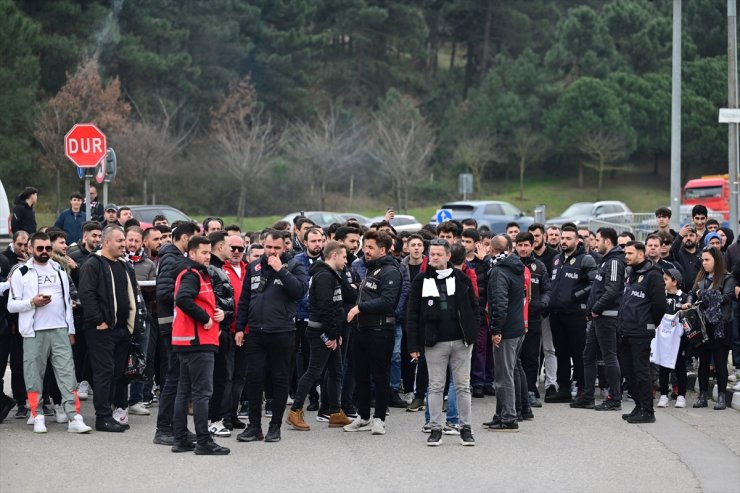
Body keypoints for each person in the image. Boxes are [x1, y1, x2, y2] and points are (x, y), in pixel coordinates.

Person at [7, 232, 92, 433]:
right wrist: (31, 303)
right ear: (30, 249)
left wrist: (70, 329)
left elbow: (65, 304)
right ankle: (37, 415)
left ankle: (74, 417)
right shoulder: (21, 272)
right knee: (34, 374)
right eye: (40, 248)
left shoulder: (60, 270)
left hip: (60, 329)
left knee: (67, 374)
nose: (45, 252)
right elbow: (11, 305)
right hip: (33, 332)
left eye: (47, 248)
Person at [235, 230, 308, 443]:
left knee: (279, 379)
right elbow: (246, 297)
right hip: (256, 332)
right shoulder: (254, 266)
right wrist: (240, 327)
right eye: (268, 248)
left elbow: (300, 291)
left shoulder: (295, 266)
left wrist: (281, 271)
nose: (272, 252)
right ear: (263, 246)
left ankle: (275, 426)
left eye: (277, 248)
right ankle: (254, 426)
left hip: (282, 332)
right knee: (255, 379)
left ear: (284, 247)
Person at [406, 239, 479, 446]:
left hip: (461, 342)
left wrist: (472, 333)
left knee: (463, 386)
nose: (435, 258)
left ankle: (465, 428)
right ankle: (435, 428)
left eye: (439, 254)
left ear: (448, 256)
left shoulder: (461, 278)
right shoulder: (421, 280)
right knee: (436, 386)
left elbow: (475, 308)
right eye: (432, 254)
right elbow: (412, 314)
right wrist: (413, 345)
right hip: (434, 342)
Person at [167, 235, 229, 455]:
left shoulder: (196, 274)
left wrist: (216, 313)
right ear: (191, 253)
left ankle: (181, 439)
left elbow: (198, 300)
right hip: (198, 342)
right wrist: (206, 318)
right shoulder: (192, 274)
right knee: (202, 394)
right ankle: (204, 441)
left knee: (184, 391)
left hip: (187, 341)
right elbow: (183, 299)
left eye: (208, 251)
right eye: (203, 252)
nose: (207, 256)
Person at [78, 227, 142, 432]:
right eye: (120, 240)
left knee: (118, 373)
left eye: (124, 240)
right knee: (104, 372)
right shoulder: (93, 264)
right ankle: (102, 417)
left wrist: (133, 325)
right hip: (101, 331)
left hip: (123, 330)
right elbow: (86, 294)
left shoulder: (124, 266)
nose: (124, 244)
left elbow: (133, 295)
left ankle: (115, 412)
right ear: (106, 242)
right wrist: (99, 321)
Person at [286, 241, 355, 431]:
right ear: (334, 256)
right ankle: (295, 411)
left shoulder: (333, 275)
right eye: (343, 257)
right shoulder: (324, 276)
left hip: (332, 331)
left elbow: (337, 304)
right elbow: (326, 308)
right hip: (320, 333)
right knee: (314, 371)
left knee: (336, 371)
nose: (346, 261)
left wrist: (337, 333)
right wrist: (332, 334)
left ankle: (335, 412)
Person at [344, 230, 401, 435]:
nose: (365, 251)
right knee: (360, 375)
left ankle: (379, 419)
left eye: (370, 247)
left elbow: (387, 302)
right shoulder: (368, 269)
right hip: (360, 330)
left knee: (379, 376)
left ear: (383, 250)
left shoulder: (391, 271)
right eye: (364, 246)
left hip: (380, 331)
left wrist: (359, 308)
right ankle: (363, 416)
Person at [153, 221, 199, 445]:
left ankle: (176, 426)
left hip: (175, 324)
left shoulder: (172, 257)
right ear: (184, 239)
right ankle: (164, 428)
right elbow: (163, 292)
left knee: (179, 377)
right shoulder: (172, 258)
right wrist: (189, 298)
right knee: (173, 378)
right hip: (171, 325)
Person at [572, 228, 625, 411]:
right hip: (598, 316)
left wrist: (596, 308)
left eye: (598, 240)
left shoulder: (615, 262)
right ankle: (587, 396)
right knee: (588, 355)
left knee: (609, 357)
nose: (595, 243)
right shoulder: (606, 261)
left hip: (607, 316)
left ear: (607, 242)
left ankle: (614, 398)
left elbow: (612, 290)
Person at [546, 226, 597, 403]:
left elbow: (595, 284)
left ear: (577, 241)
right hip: (557, 314)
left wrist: (575, 296)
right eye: (563, 238)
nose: (564, 241)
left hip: (576, 314)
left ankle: (583, 390)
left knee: (578, 353)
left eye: (568, 238)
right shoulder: (557, 259)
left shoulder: (586, 259)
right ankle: (564, 389)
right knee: (561, 353)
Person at [619, 242, 666, 424]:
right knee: (628, 372)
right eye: (625, 253)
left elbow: (659, 305)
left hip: (641, 331)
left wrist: (649, 323)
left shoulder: (653, 275)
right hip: (626, 329)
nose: (626, 256)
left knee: (641, 372)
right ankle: (638, 405)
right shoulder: (631, 273)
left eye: (630, 253)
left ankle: (647, 410)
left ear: (641, 255)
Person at [684, 246, 735, 410]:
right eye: (702, 260)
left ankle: (721, 396)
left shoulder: (728, 277)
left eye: (707, 260)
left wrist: (702, 294)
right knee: (703, 362)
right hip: (703, 325)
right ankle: (703, 396)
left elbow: (723, 298)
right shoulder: (702, 278)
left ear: (716, 260)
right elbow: (692, 293)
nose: (704, 263)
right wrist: (691, 300)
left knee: (720, 362)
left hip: (721, 326)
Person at [483, 235, 525, 432]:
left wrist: (496, 329)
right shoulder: (514, 265)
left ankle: (509, 417)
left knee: (503, 375)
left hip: (506, 330)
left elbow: (499, 303)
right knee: (505, 372)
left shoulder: (499, 271)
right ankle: (500, 414)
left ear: (492, 249)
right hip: (517, 327)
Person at [204, 231, 236, 436]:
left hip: (223, 330)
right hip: (218, 332)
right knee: (217, 378)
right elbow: (213, 303)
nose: (231, 249)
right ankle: (213, 420)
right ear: (219, 247)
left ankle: (218, 417)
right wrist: (221, 320)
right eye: (228, 245)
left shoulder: (219, 269)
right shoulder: (213, 271)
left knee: (222, 377)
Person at [514, 232, 551, 408]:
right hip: (513, 319)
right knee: (514, 357)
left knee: (531, 357)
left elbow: (547, 290)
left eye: (526, 245)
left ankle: (529, 391)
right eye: (519, 245)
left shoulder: (540, 267)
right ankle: (514, 391)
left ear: (532, 246)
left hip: (533, 318)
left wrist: (541, 304)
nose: (523, 249)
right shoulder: (508, 265)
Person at [657, 269, 689, 409]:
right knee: (663, 366)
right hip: (663, 338)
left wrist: (685, 309)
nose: (663, 282)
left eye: (666, 279)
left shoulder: (684, 297)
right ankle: (663, 395)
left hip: (679, 339)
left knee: (680, 366)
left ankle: (681, 395)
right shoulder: (659, 296)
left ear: (674, 281)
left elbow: (688, 315)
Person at [670, 224, 702, 292]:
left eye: (691, 235)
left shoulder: (702, 255)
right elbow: (671, 253)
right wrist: (679, 236)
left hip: (698, 293)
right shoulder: (678, 254)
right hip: (681, 293)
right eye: (685, 236)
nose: (688, 238)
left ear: (697, 238)